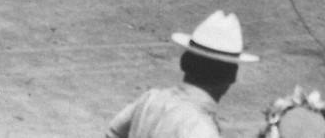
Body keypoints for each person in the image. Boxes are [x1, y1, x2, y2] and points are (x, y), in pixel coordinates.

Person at [103, 10, 258, 138]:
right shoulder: (202, 128)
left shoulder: (150, 99)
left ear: (184, 63)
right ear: (231, 77)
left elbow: (113, 133)